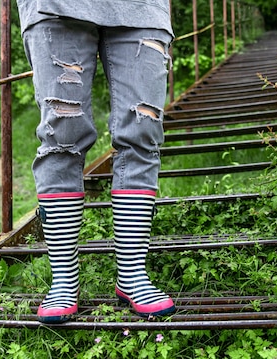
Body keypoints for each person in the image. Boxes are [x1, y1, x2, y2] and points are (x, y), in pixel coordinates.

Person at [16, 0, 176, 324]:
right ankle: (63, 280)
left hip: (143, 8)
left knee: (142, 130)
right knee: (61, 134)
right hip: (54, 7)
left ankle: (132, 275)